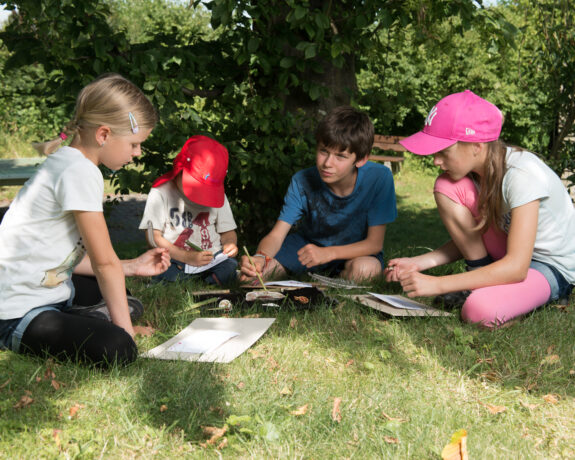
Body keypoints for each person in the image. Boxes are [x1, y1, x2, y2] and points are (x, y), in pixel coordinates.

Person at [0, 74, 171, 367]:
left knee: (121, 296)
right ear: (103, 134)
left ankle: (84, 316)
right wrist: (127, 334)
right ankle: (83, 322)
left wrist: (131, 266)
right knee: (117, 348)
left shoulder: (70, 162)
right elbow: (104, 263)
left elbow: (53, 255)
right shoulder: (80, 172)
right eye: (133, 144)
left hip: (42, 286)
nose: (137, 153)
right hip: (15, 311)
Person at [385, 90, 575, 327]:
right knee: (447, 185)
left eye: (443, 151)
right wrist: (420, 263)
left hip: (548, 265)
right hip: (510, 250)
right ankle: (482, 279)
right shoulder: (476, 174)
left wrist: (438, 283)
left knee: (479, 311)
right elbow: (477, 234)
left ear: (476, 146)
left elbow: (517, 268)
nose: (436, 160)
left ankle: (512, 295)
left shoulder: (522, 176)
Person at [240, 106, 397, 283]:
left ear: (361, 159)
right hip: (307, 247)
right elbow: (277, 235)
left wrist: (329, 253)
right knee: (250, 279)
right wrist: (261, 257)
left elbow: (374, 244)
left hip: (354, 251)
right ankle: (318, 276)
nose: (327, 163)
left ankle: (335, 277)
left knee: (366, 270)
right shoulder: (302, 180)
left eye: (340, 156)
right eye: (324, 151)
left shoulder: (379, 178)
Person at [139, 135, 239, 286]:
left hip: (211, 259)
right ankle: (198, 281)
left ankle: (208, 281)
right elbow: (152, 237)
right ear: (180, 168)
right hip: (175, 259)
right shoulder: (160, 192)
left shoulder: (220, 196)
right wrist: (186, 257)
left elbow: (228, 232)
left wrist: (230, 244)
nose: (199, 198)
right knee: (162, 268)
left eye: (206, 192)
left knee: (230, 266)